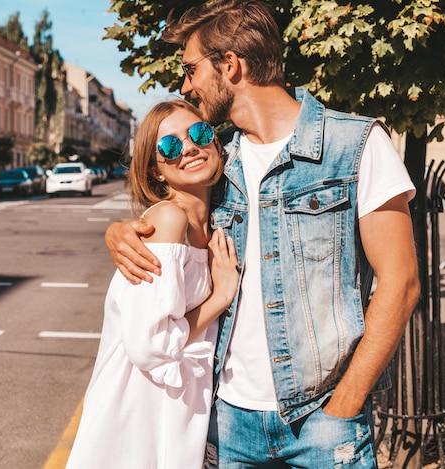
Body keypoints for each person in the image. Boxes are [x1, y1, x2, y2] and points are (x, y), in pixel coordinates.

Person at [104, 1, 421, 467]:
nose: (185, 84)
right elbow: (173, 220)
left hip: (323, 420)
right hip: (227, 421)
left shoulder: (354, 145)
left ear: (230, 65)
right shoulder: (218, 164)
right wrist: (118, 233)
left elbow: (402, 284)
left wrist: (345, 406)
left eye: (191, 69)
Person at [66, 100, 239, 469]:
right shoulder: (168, 219)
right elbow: (151, 346)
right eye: (170, 146)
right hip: (137, 413)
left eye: (199, 133)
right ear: (156, 171)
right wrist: (221, 296)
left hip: (172, 405)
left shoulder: (214, 221)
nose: (189, 147)